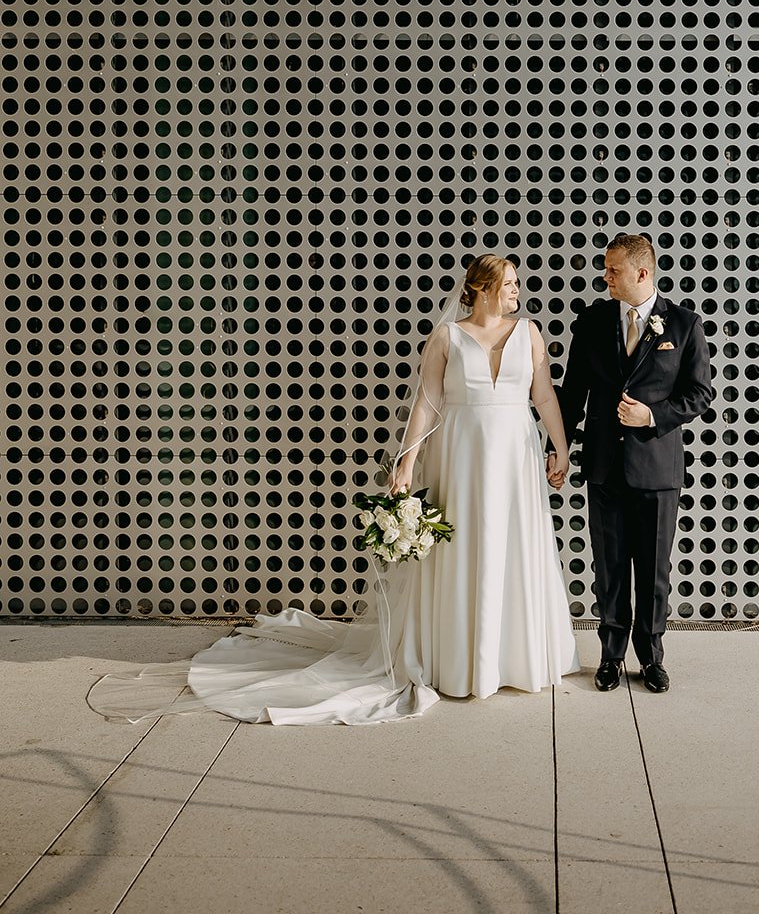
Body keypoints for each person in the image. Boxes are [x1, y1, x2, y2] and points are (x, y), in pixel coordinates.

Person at [87, 253, 579, 725]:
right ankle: (458, 659)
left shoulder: (529, 334)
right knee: (462, 550)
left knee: (511, 546)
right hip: (459, 455)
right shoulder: (447, 337)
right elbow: (426, 407)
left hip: (515, 455)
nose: (518, 290)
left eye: (517, 283)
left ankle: (512, 657)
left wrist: (559, 447)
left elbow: (544, 395)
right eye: (510, 283)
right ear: (483, 289)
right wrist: (406, 465)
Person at [553, 233, 714, 694]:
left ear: (641, 273)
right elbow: (574, 391)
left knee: (653, 569)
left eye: (612, 271)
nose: (605, 277)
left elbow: (700, 394)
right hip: (603, 466)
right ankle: (610, 656)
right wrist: (557, 446)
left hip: (658, 471)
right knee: (610, 568)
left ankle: (652, 657)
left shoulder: (683, 324)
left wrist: (653, 416)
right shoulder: (592, 320)